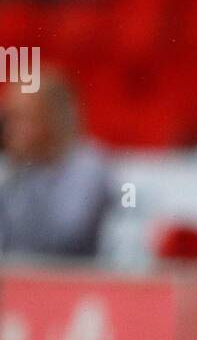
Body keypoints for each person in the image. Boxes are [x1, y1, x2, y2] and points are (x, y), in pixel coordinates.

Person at [0, 69, 113, 257]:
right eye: (8, 119)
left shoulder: (88, 167)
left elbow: (66, 237)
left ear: (53, 119)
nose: (9, 130)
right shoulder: (12, 167)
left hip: (75, 280)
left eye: (22, 118)